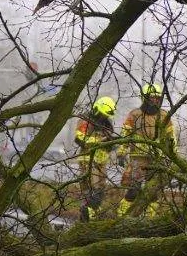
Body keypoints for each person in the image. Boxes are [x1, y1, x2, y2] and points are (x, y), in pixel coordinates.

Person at [118, 83, 176, 216]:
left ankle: (149, 220)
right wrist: (121, 152)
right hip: (137, 158)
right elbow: (125, 134)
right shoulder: (134, 114)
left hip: (157, 159)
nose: (155, 100)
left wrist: (173, 156)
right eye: (152, 97)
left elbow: (171, 137)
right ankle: (122, 217)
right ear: (144, 98)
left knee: (153, 192)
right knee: (133, 190)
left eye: (157, 98)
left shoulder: (164, 115)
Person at [74, 96, 117, 220]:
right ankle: (86, 220)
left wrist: (112, 143)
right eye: (103, 115)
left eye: (106, 116)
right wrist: (101, 141)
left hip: (102, 162)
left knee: (100, 193)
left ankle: (91, 218)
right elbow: (80, 139)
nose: (104, 118)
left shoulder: (107, 125)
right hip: (88, 161)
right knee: (93, 192)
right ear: (97, 110)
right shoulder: (86, 120)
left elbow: (108, 145)